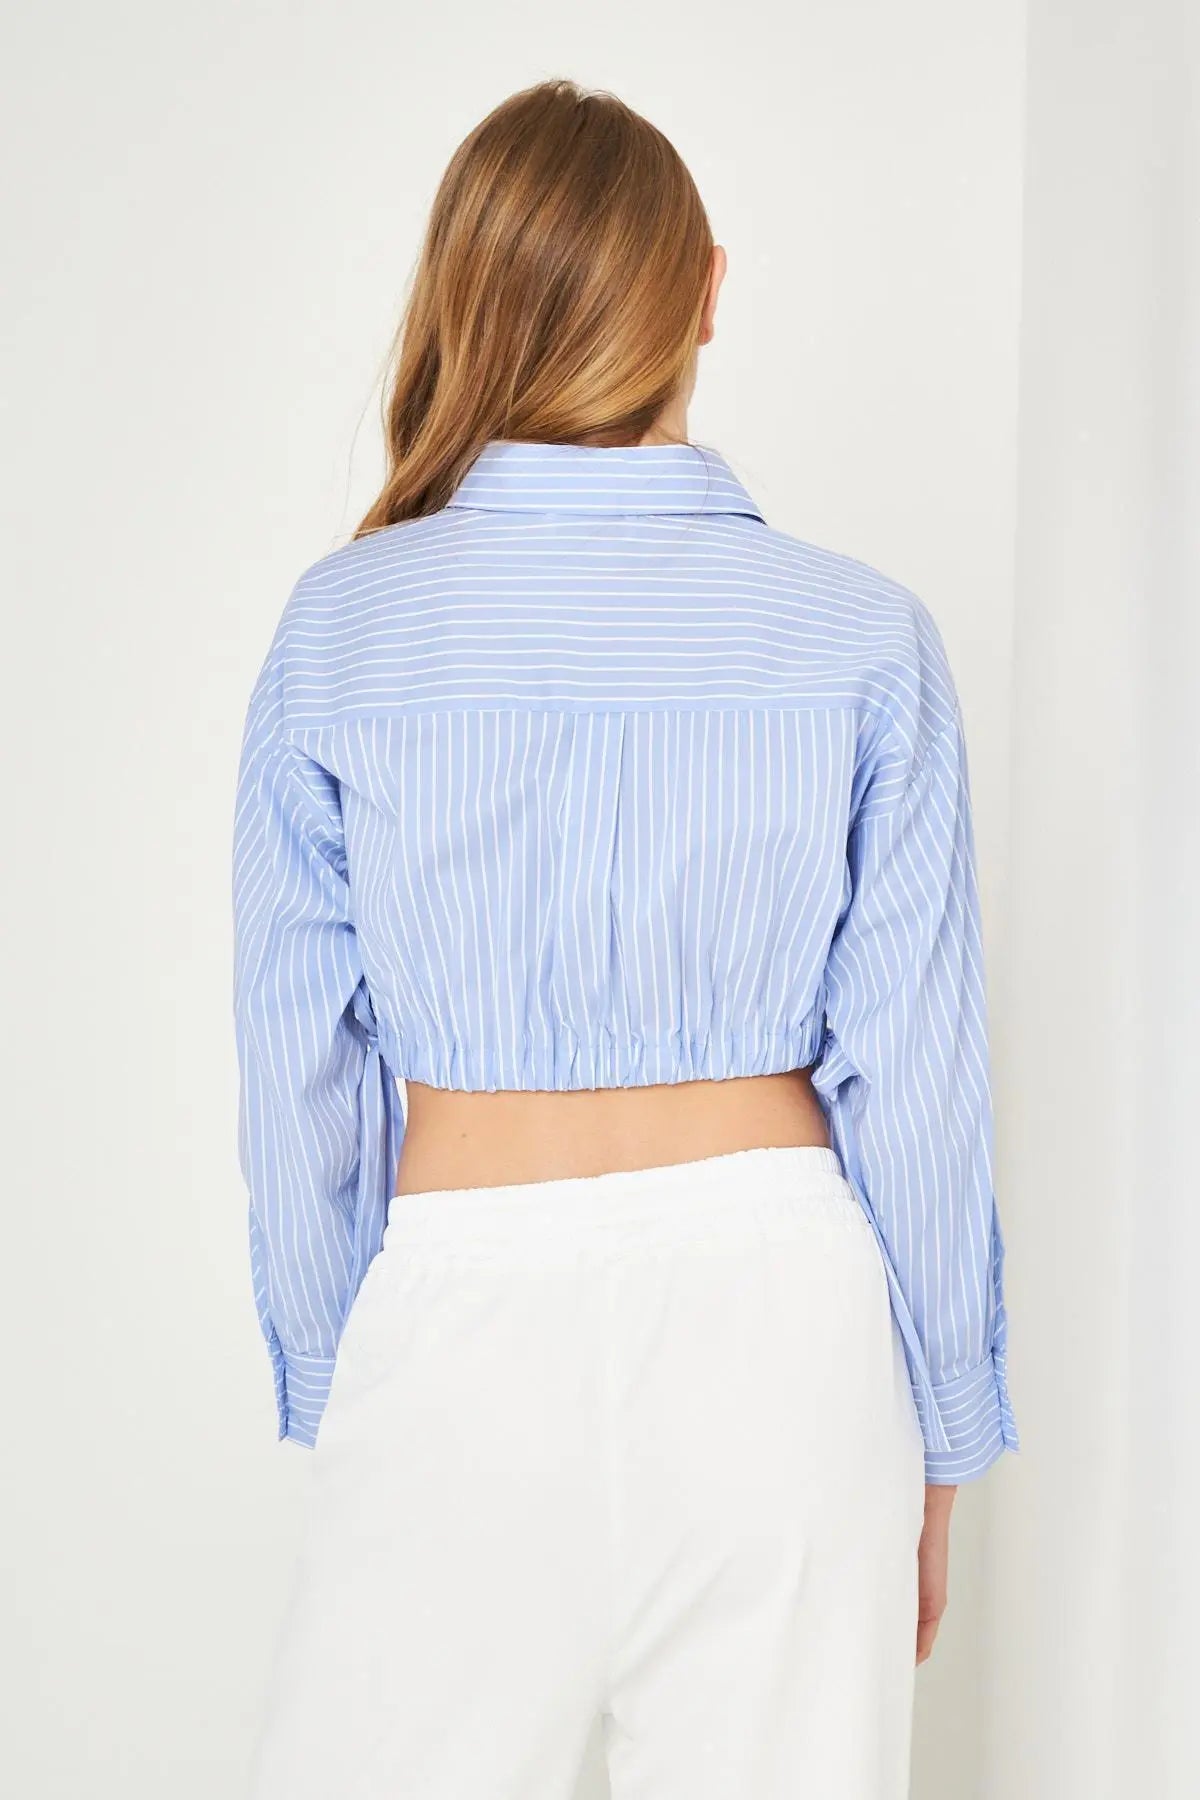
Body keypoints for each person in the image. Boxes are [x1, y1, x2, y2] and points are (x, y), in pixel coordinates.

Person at [232, 77, 1018, 1800]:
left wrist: (348, 1382)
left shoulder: (341, 630)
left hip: (459, 1320)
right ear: (706, 291)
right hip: (789, 1332)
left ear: (463, 297)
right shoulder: (865, 638)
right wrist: (941, 1430)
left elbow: (300, 1073)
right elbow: (919, 1081)